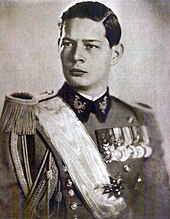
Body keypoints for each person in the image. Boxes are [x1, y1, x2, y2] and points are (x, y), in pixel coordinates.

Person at [0, 1, 169, 219]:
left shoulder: (138, 120)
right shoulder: (26, 121)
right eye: (68, 44)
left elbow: (159, 206)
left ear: (115, 54)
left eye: (91, 46)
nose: (76, 56)